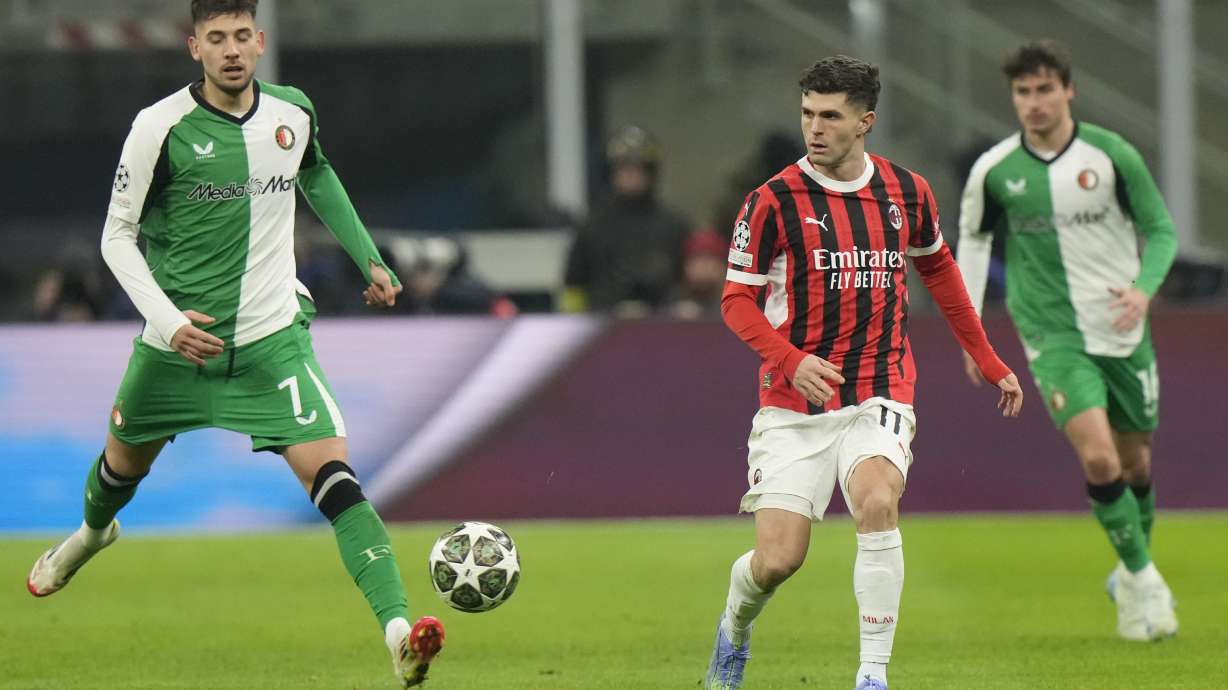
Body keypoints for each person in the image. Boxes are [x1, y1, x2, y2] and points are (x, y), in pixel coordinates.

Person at [24, 2, 445, 687]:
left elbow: (317, 173)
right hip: (175, 348)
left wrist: (368, 257)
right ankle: (94, 534)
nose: (229, 50)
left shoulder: (292, 112)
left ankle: (399, 634)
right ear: (194, 47)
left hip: (273, 342)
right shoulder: (157, 129)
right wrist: (166, 322)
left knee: (337, 482)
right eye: (214, 38)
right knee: (117, 474)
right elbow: (115, 236)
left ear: (259, 41)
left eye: (240, 37)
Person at [705, 55, 1023, 690]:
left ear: (865, 121)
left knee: (878, 501)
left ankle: (872, 675)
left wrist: (987, 358)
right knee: (777, 561)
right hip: (793, 406)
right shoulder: (771, 201)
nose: (814, 128)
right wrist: (791, 362)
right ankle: (734, 630)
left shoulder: (908, 192)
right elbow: (735, 301)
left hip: (879, 386)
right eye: (807, 114)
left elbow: (940, 273)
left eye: (830, 116)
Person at [956, 40, 1179, 641]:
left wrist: (1143, 288)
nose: (1033, 103)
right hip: (1052, 333)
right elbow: (973, 244)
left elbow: (1159, 230)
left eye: (1044, 89)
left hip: (1123, 328)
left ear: (1068, 90)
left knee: (1135, 462)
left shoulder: (1111, 156)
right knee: (1101, 457)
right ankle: (1145, 587)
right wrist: (971, 327)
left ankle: (1132, 572)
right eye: (1023, 92)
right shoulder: (995, 170)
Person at [560, 125, 691, 315]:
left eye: (638, 169)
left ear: (652, 174)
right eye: (624, 168)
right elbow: (574, 283)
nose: (631, 175)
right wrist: (574, 322)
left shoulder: (674, 225)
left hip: (663, 329)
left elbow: (687, 282)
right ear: (612, 173)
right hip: (603, 328)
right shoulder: (593, 225)